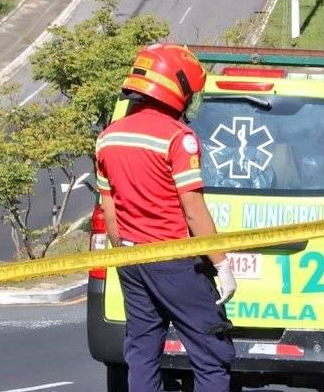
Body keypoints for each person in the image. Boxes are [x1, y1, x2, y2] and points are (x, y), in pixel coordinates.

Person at [96, 44, 237, 392]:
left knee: (142, 352)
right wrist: (221, 264)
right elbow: (194, 211)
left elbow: (110, 212)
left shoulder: (108, 138)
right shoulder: (178, 138)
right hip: (175, 261)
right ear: (176, 90)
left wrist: (126, 254)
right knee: (212, 354)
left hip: (131, 258)